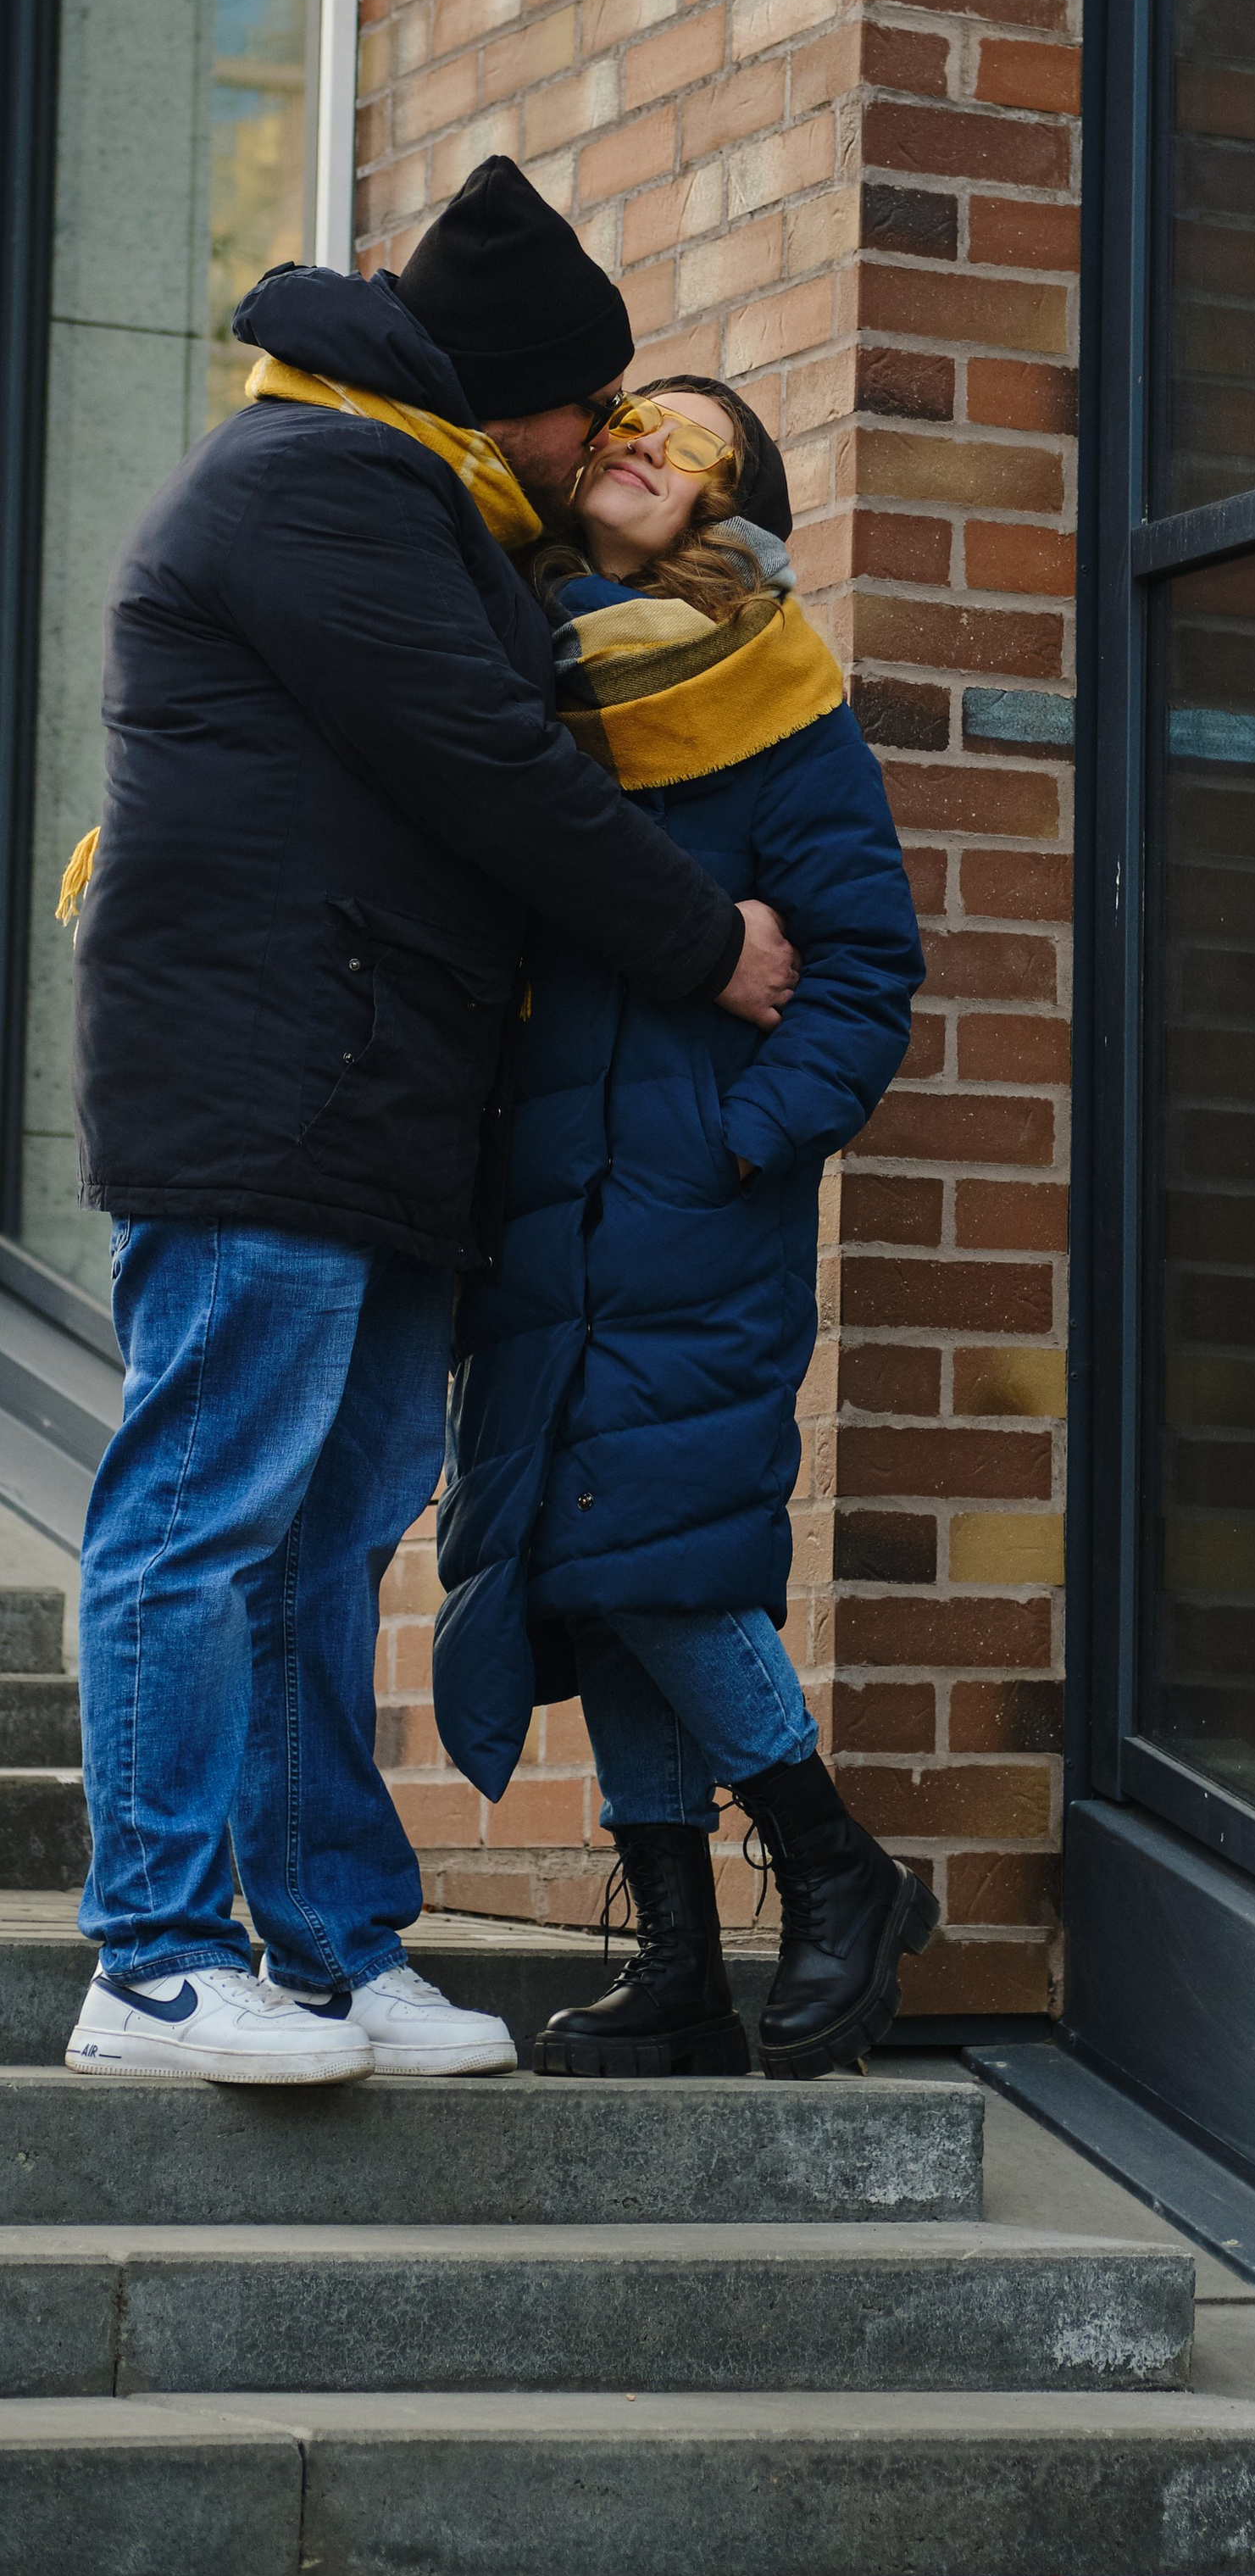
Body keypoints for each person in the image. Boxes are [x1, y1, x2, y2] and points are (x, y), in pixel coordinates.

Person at [63, 159, 796, 2089]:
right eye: (590, 410)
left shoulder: (416, 502)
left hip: (371, 1096)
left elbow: (539, 702)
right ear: (505, 396)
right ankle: (146, 1958)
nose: (599, 443)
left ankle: (328, 1946)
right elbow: (492, 766)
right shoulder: (316, 484)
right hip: (263, 1091)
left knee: (322, 1536)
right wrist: (704, 938)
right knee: (208, 1513)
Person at [433, 379, 933, 2081]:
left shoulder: (780, 701)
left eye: (697, 446)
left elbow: (865, 974)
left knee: (658, 1548)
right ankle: (679, 1967)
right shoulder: (519, 684)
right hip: (533, 1222)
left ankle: (837, 1869)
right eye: (638, 422)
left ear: (738, 506)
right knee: (587, 1568)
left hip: (689, 1209)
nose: (649, 445)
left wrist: (739, 1145)